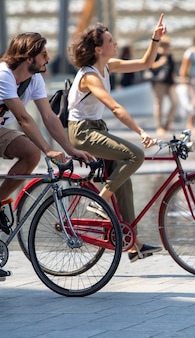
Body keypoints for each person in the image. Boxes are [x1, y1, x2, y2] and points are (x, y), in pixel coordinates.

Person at [0, 32, 96, 282]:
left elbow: (48, 117)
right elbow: (25, 119)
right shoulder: (2, 75)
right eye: (43, 54)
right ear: (28, 57)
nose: (48, 59)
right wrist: (50, 150)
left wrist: (70, 149)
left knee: (30, 153)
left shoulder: (34, 78)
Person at [66, 14, 167, 262]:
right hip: (82, 132)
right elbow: (115, 107)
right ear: (99, 49)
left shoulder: (108, 67)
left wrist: (155, 38)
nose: (115, 43)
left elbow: (145, 63)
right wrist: (140, 132)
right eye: (110, 40)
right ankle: (100, 202)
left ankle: (133, 244)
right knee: (136, 154)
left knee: (124, 181)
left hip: (96, 129)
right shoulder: (90, 75)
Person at [145, 35, 178, 136]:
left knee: (175, 102)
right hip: (159, 82)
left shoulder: (169, 55)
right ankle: (159, 126)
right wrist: (160, 62)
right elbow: (150, 66)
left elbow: (172, 68)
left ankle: (168, 122)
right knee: (159, 104)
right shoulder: (157, 54)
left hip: (169, 82)